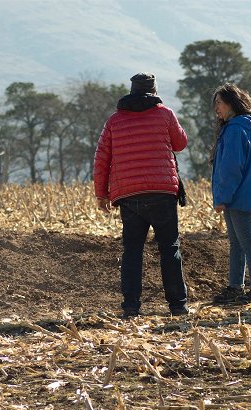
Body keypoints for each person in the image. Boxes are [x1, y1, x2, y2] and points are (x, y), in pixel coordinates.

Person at [93, 72, 189, 318]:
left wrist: (101, 194)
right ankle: (177, 305)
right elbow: (180, 144)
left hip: (129, 194)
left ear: (132, 91)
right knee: (169, 248)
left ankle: (131, 307)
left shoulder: (114, 121)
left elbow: (102, 158)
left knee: (133, 250)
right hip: (162, 191)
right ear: (154, 91)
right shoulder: (166, 114)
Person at [210, 83, 251, 305]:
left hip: (237, 195)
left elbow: (231, 168)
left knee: (246, 241)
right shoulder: (245, 126)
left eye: (219, 103)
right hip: (244, 193)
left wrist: (222, 197)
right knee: (237, 242)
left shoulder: (235, 129)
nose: (216, 108)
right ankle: (235, 286)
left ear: (231, 104)